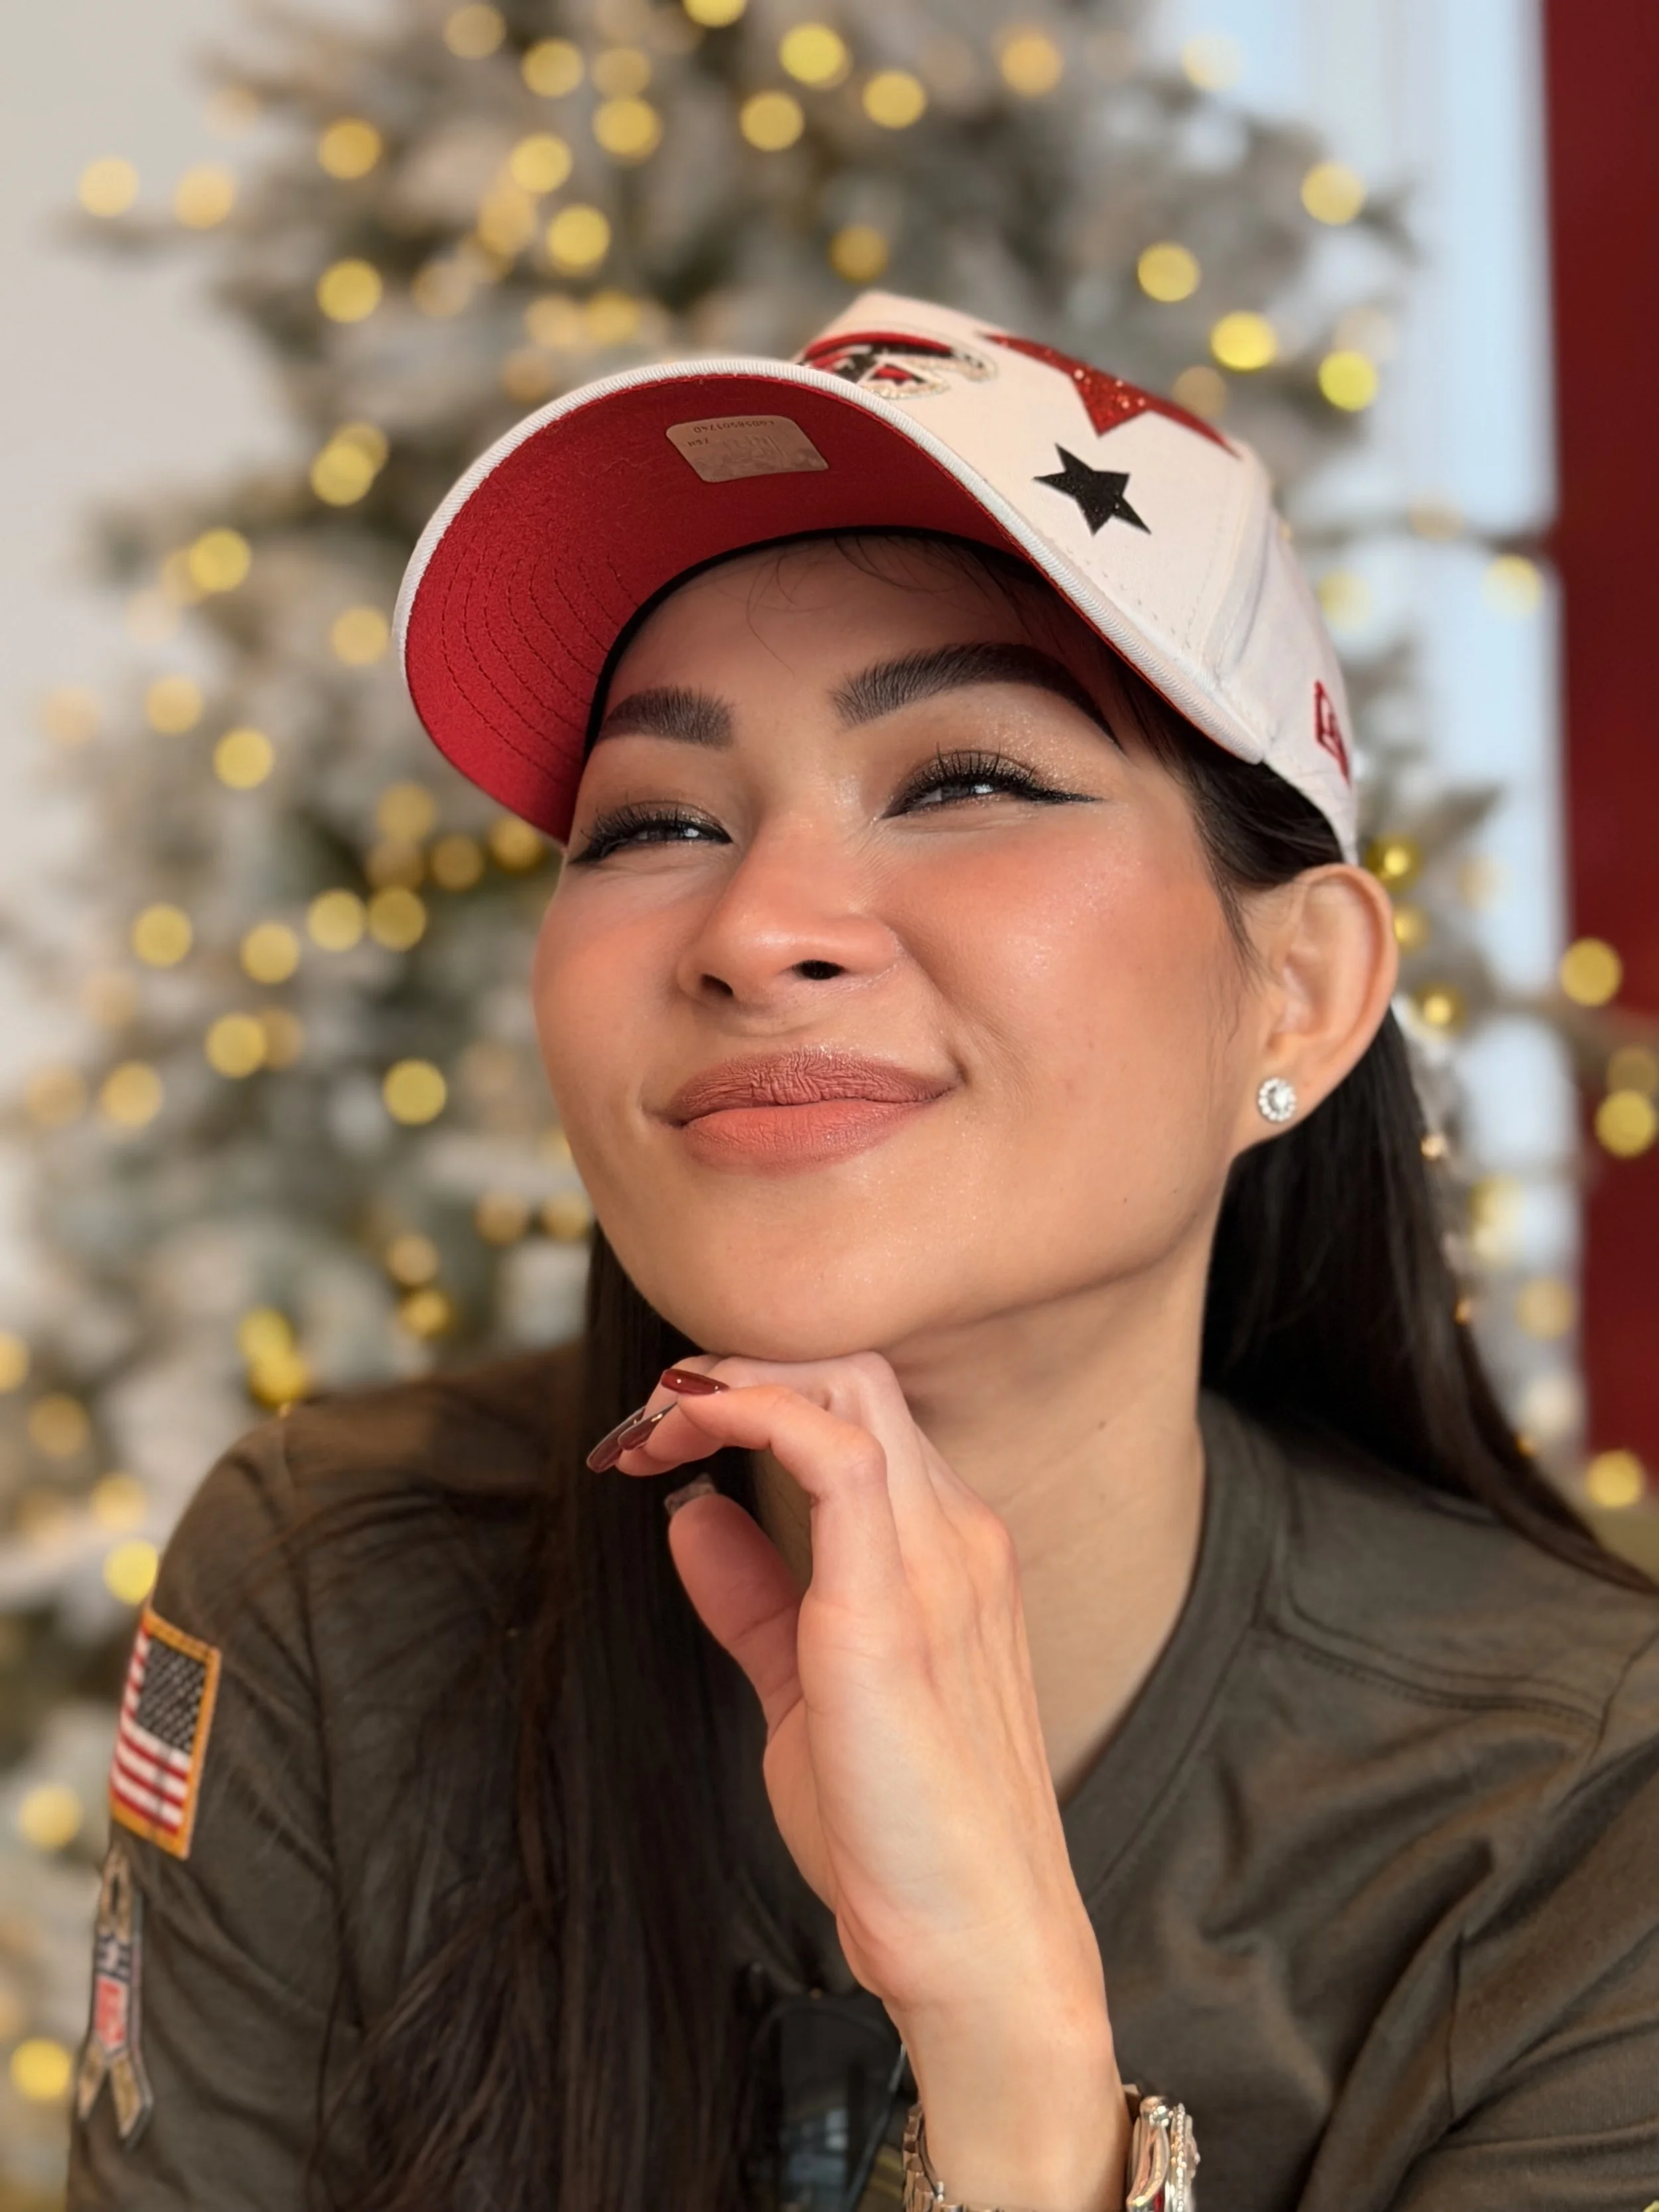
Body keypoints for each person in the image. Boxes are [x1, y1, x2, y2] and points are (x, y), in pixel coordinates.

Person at [67, 292, 1659, 2212]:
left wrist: (1013, 2053)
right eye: (652, 815)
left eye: (963, 780)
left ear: (1297, 993)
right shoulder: (338, 1594)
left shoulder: (1590, 1810)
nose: (759, 926)